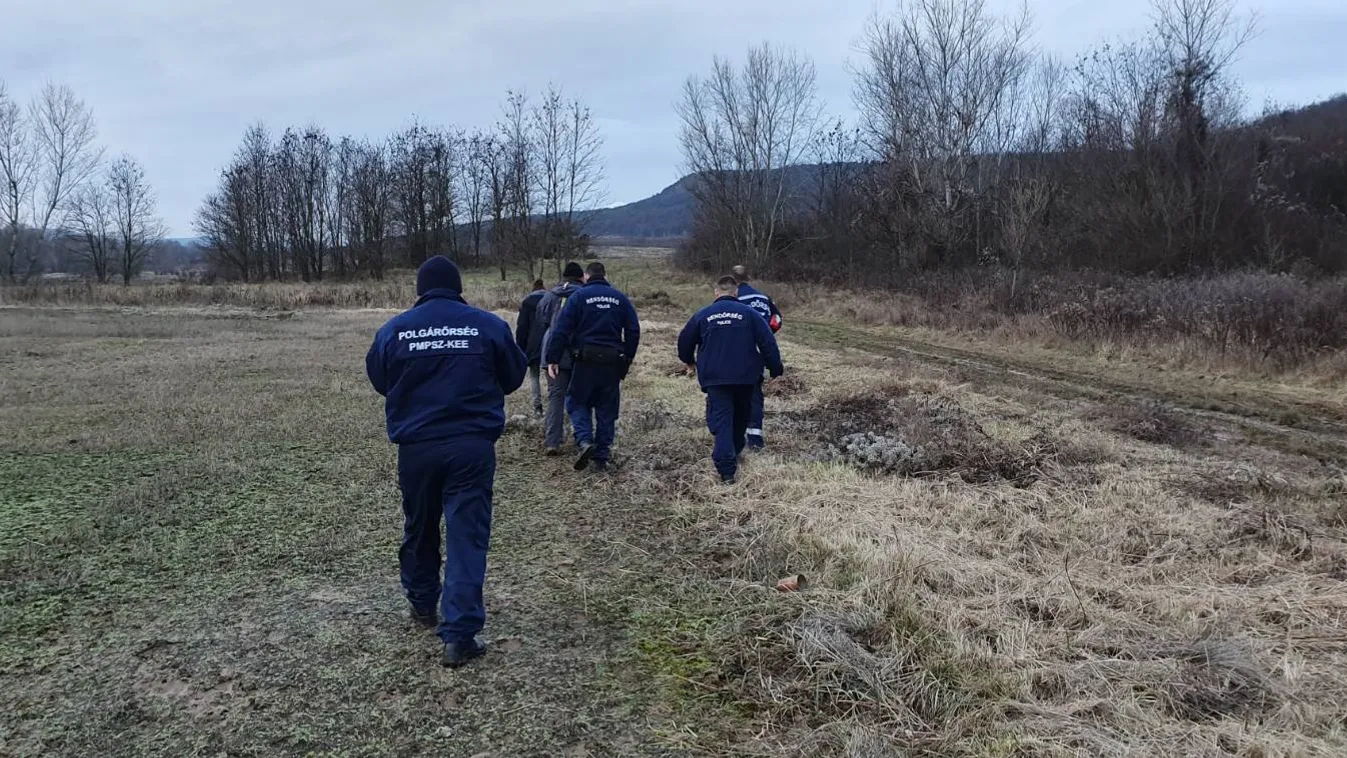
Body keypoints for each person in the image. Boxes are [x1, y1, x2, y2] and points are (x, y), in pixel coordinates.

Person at [365, 256, 527, 669]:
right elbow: (513, 377)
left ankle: (422, 602)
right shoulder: (487, 326)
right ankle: (459, 635)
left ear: (420, 289)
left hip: (416, 448)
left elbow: (381, 380)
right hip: (471, 447)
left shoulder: (395, 330)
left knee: (420, 524)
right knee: (466, 535)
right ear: (458, 288)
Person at [678, 276, 784, 484]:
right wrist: (775, 369)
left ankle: (728, 463)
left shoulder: (703, 314)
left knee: (723, 419)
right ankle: (729, 463)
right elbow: (768, 343)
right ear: (736, 293)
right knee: (740, 418)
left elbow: (684, 341)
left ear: (716, 292)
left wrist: (689, 361)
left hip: (715, 378)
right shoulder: (751, 315)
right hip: (746, 378)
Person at [544, 261, 640, 473]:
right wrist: (627, 357)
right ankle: (601, 457)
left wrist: (553, 357)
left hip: (585, 360)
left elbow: (561, 329)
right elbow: (633, 330)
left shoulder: (579, 297)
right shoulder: (620, 298)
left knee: (577, 402)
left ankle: (585, 441)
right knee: (607, 408)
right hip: (612, 361)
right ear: (605, 276)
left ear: (586, 276)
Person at [530, 262, 585, 455]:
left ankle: (552, 441)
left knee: (555, 396)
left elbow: (542, 320)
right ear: (581, 277)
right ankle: (583, 439)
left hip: (552, 350)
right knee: (581, 396)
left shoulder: (549, 295)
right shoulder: (584, 295)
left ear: (564, 277)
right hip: (578, 351)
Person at [731, 264, 782, 450]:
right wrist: (767, 334)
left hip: (735, 352)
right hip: (758, 354)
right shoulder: (763, 297)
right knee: (754, 395)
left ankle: (734, 435)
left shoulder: (733, 299)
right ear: (748, 278)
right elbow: (777, 320)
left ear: (732, 280)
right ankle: (755, 440)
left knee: (730, 392)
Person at [515, 279, 547, 416]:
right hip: (549, 342)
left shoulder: (527, 303)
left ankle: (537, 407)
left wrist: (520, 348)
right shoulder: (551, 300)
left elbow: (522, 327)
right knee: (552, 376)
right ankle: (555, 406)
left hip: (532, 344)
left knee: (534, 375)